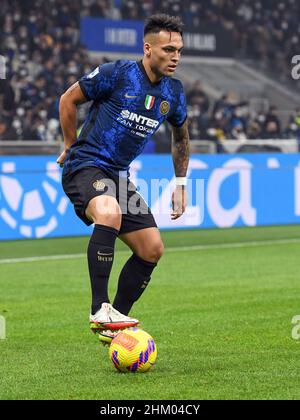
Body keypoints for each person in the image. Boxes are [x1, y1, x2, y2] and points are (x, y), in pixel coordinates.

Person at [57, 14, 190, 345]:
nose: (175, 57)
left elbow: (181, 137)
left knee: (152, 249)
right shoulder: (117, 74)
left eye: (180, 51)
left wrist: (181, 184)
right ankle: (99, 309)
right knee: (109, 212)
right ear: (148, 48)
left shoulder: (173, 92)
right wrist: (70, 145)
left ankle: (114, 324)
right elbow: (67, 99)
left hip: (119, 177)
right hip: (86, 165)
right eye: (169, 49)